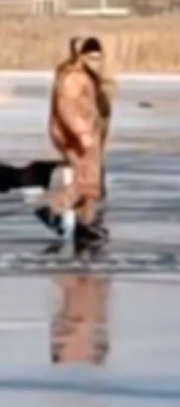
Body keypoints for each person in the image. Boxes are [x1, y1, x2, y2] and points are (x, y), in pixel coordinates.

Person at [46, 37, 111, 257]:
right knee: (86, 180)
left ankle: (87, 224)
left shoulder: (88, 77)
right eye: (91, 57)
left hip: (90, 135)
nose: (96, 62)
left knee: (92, 182)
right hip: (76, 137)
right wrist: (82, 132)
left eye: (99, 57)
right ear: (81, 57)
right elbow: (68, 109)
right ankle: (53, 208)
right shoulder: (73, 78)